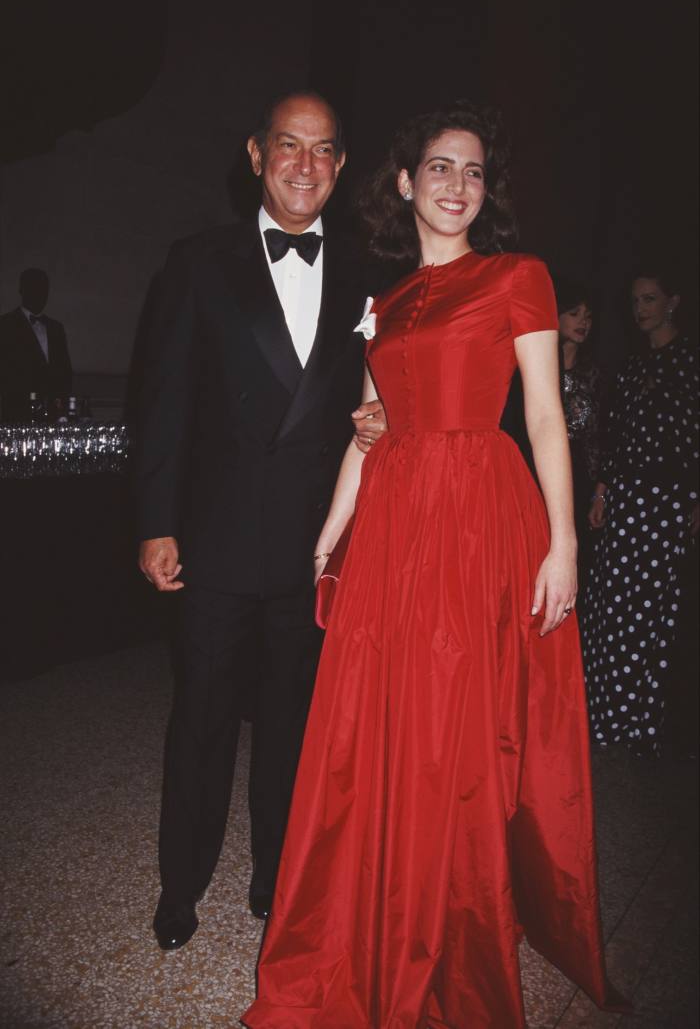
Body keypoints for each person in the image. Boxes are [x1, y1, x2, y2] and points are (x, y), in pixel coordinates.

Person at [243, 102, 627, 1028]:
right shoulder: (387, 303)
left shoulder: (517, 277)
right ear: (407, 183)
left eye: (476, 172)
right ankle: (374, 906)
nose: (459, 185)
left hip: (478, 514)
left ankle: (454, 921)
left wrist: (564, 541)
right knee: (379, 726)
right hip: (396, 524)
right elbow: (369, 434)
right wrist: (332, 530)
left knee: (459, 727)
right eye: (441, 168)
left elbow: (543, 416)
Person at [132, 91, 385, 950]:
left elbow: (384, 392)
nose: (304, 164)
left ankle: (277, 874)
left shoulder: (364, 272)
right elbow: (161, 401)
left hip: (314, 547)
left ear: (341, 166)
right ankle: (182, 880)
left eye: (322, 150)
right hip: (215, 538)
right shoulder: (198, 262)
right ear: (255, 154)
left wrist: (385, 418)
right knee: (199, 718)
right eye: (288, 145)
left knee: (292, 727)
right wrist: (156, 520)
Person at [583, 268, 698, 756]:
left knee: (652, 615)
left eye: (649, 299)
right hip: (626, 500)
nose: (641, 308)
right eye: (635, 301)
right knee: (610, 608)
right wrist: (602, 492)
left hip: (669, 501)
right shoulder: (630, 366)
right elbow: (615, 434)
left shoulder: (690, 360)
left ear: (672, 302)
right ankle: (605, 722)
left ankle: (643, 729)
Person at [555, 277, 605, 587]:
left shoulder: (597, 372)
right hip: (540, 471)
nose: (583, 322)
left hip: (582, 479)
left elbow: (603, 435)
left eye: (588, 316)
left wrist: (600, 490)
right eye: (575, 313)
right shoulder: (535, 367)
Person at [0, 268, 72, 422]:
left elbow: (64, 370)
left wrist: (62, 407)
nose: (40, 293)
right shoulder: (5, 325)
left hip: (53, 413)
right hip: (18, 413)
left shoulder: (56, 328)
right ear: (22, 290)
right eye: (34, 287)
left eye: (44, 288)